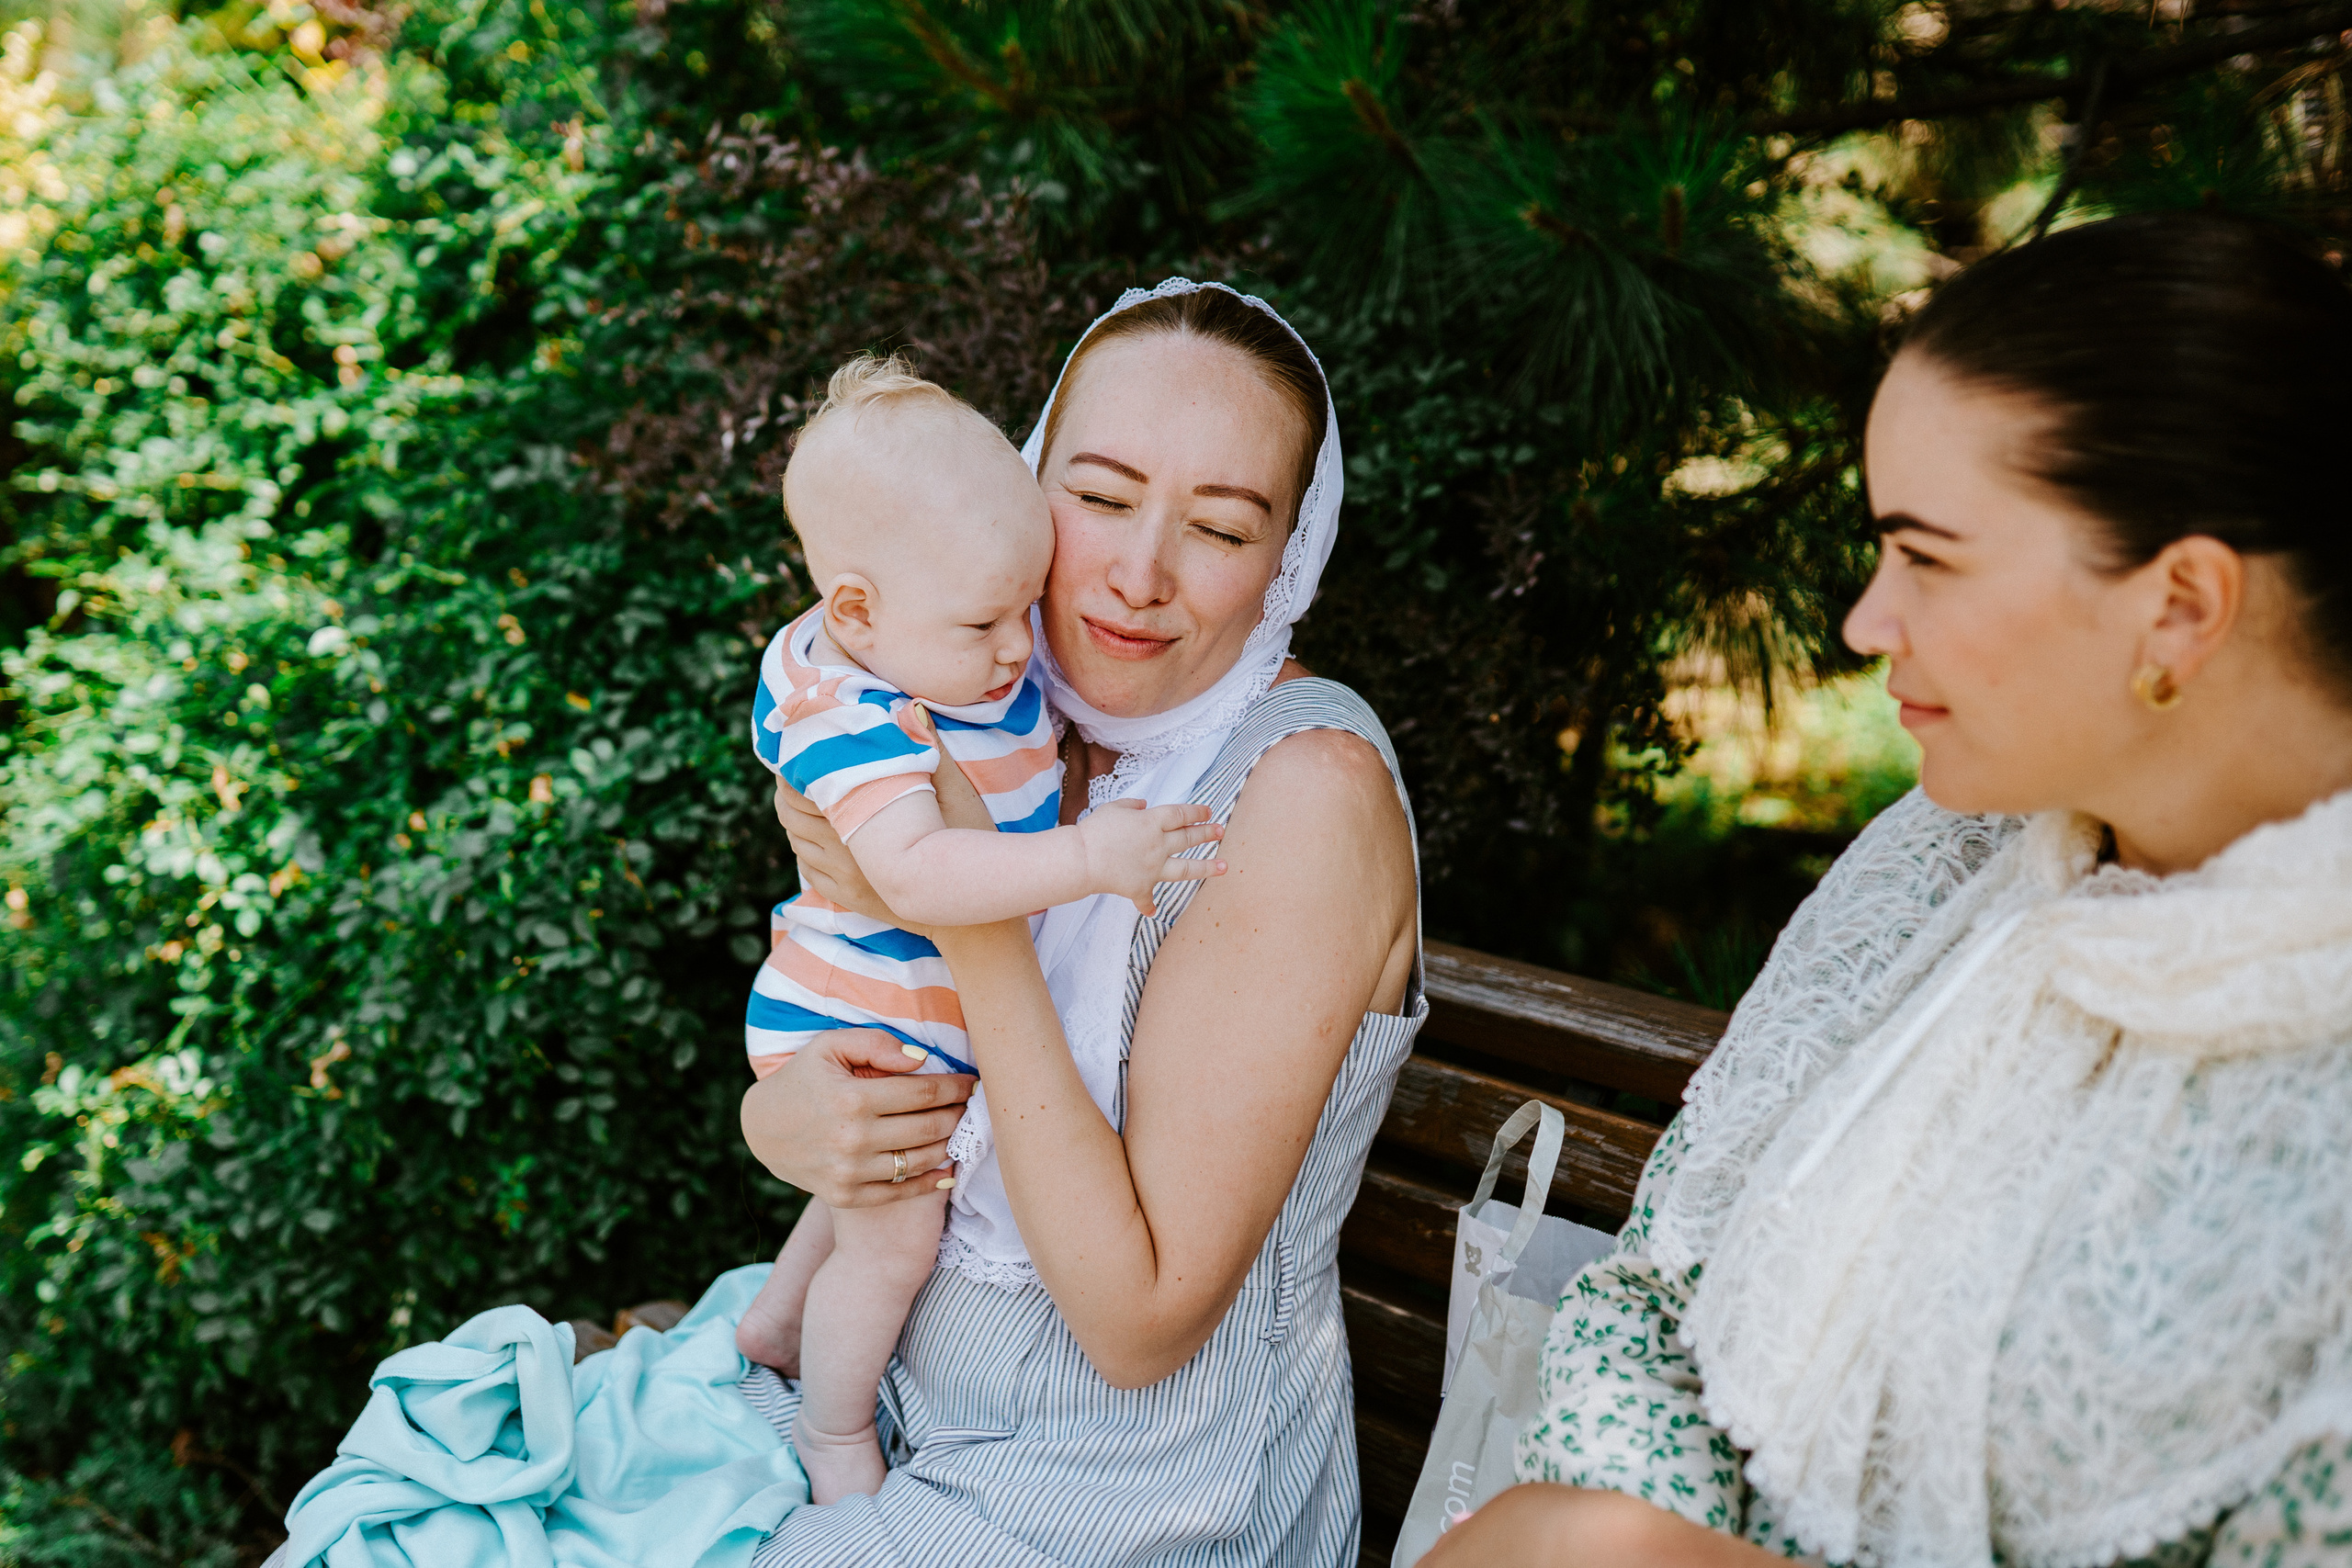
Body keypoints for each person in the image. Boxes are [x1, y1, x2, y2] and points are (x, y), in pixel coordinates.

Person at [269, 279, 1423, 1568]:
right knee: (417, 1525)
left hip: (1119, 1480)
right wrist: (786, 1119)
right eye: (1099, 498)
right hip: (893, 1381)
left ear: (1287, 558)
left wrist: (971, 916)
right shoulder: (989, 699)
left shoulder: (1300, 796)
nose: (1139, 574)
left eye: (1218, 527)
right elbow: (853, 1002)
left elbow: (1138, 1324)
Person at [1423, 210, 2352, 1568]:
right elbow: (1658, 1286)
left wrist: (1624, 1551)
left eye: (1926, 554)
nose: (1865, 620)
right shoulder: (1943, 855)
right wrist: (1609, 1516)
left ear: (2180, 606)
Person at [731, 351, 1227, 1505]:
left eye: (1025, 605)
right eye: (985, 623)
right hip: (866, 1016)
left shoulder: (919, 627)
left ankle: (775, 1320)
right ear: (855, 610)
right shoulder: (855, 717)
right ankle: (834, 1430)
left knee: (869, 1203)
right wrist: (1089, 857)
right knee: (895, 1240)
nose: (1017, 648)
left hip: (896, 1002)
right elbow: (914, 876)